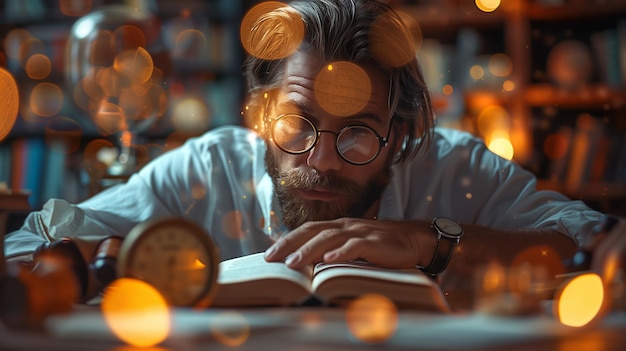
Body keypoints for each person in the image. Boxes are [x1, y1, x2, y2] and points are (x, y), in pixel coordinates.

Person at [3, 0, 613, 309]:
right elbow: (23, 248)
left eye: (356, 133)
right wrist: (110, 264)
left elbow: (597, 243)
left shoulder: (454, 166)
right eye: (297, 124)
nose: (319, 160)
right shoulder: (208, 168)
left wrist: (434, 240)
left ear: (400, 135)